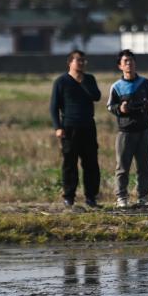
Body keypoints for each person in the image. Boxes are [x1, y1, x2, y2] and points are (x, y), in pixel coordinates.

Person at [106, 49, 148, 209]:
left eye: (131, 61)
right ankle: (121, 197)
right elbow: (110, 106)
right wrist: (121, 109)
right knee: (122, 167)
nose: (129, 64)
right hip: (125, 132)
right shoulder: (116, 87)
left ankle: (143, 196)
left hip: (143, 130)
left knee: (144, 166)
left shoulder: (145, 83)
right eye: (125, 62)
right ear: (120, 66)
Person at [50, 49, 102, 208]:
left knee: (91, 163)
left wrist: (83, 82)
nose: (81, 63)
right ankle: (69, 197)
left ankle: (91, 197)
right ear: (70, 62)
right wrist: (58, 127)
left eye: (83, 60)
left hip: (88, 127)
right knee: (69, 163)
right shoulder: (61, 81)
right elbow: (54, 107)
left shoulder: (89, 79)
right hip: (69, 128)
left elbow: (97, 97)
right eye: (78, 60)